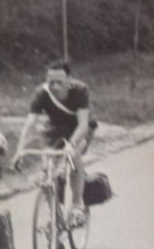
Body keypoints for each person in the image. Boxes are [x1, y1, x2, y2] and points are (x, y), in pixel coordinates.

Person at [12, 61, 97, 228]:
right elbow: (29, 125)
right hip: (55, 129)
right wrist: (19, 151)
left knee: (72, 157)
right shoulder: (42, 93)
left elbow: (83, 124)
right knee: (48, 167)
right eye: (51, 82)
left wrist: (71, 145)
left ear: (69, 80)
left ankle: (77, 204)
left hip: (80, 128)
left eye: (60, 82)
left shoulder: (80, 91)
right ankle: (54, 214)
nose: (55, 86)